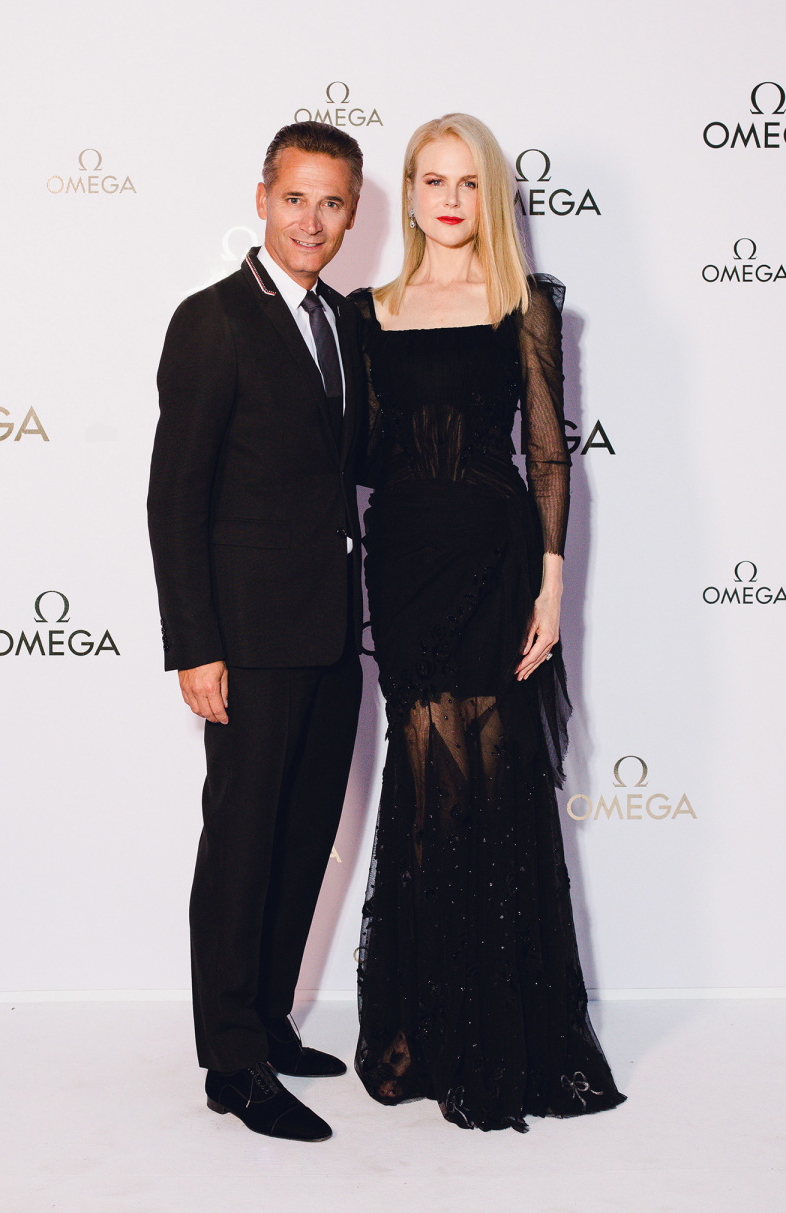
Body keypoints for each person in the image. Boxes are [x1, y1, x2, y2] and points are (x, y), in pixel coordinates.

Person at [351, 113, 626, 1132]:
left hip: (498, 559)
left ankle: (506, 1036)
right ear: (411, 193)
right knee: (426, 784)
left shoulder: (525, 302)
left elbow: (549, 456)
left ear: (493, 194)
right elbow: (359, 454)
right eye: (433, 181)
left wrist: (551, 584)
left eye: (469, 181)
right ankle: (426, 1029)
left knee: (496, 780)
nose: (451, 200)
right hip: (406, 562)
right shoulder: (370, 311)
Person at [147, 121, 366, 1143]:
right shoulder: (213, 320)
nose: (311, 220)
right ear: (263, 198)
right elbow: (175, 497)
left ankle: (269, 1021)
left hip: (332, 632)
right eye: (295, 198)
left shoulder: (343, 321)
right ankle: (231, 1065)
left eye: (332, 202)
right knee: (242, 845)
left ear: (351, 212)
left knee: (304, 837)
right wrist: (195, 644)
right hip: (246, 639)